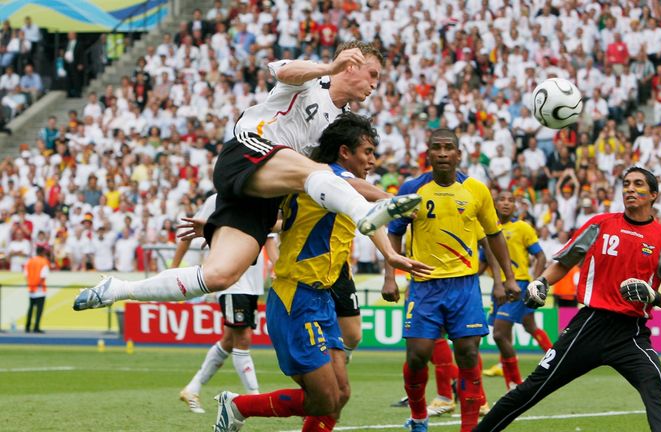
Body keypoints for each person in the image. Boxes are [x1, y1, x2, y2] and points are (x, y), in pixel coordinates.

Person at [73, 40, 423, 312]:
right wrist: (328, 66)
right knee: (315, 173)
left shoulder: (343, 127)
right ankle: (363, 211)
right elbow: (283, 71)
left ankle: (119, 289)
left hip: (266, 190)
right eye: (373, 74)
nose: (375, 85)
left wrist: (388, 252)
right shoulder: (310, 83)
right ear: (352, 66)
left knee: (219, 276)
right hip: (248, 152)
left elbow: (340, 183)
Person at [213, 113, 431, 432]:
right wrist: (391, 199)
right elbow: (353, 188)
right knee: (324, 399)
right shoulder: (327, 177)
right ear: (345, 151)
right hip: (295, 299)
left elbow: (363, 214)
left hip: (321, 299)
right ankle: (238, 406)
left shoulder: (327, 187)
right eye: (367, 152)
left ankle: (239, 407)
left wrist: (391, 252)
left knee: (339, 395)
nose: (372, 160)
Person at [475, 167, 661, 432]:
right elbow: (564, 263)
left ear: (653, 194)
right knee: (532, 389)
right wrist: (541, 282)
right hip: (589, 326)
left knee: (655, 387)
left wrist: (654, 296)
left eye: (638, 184)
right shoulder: (600, 225)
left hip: (631, 334)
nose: (630, 189)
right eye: (626, 184)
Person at [382, 129, 519, 432]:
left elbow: (494, 236)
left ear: (459, 154)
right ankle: (419, 417)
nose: (442, 153)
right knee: (418, 356)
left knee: (468, 354)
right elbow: (393, 230)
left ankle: (468, 428)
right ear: (427, 154)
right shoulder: (412, 188)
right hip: (425, 284)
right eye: (436, 148)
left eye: (448, 148)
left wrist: (509, 278)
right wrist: (390, 275)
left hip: (464, 286)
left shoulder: (476, 190)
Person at [174, 193, 276, 414]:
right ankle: (255, 396)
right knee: (243, 337)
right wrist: (173, 267)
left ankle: (193, 388)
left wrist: (278, 268)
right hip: (231, 280)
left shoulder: (262, 199)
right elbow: (189, 232)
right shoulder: (217, 200)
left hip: (252, 283)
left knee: (229, 340)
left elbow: (269, 238)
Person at [480, 191, 552, 390]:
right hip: (498, 288)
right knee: (528, 327)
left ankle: (514, 384)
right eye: (502, 199)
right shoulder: (486, 229)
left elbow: (541, 257)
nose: (506, 203)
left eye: (511, 200)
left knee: (499, 334)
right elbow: (482, 261)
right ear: (494, 204)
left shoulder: (522, 227)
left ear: (516, 206)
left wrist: (535, 283)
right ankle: (555, 357)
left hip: (517, 286)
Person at [24, 246, 50, 333]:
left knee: (30, 308)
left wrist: (31, 285)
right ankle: (36, 327)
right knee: (39, 310)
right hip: (39, 289)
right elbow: (43, 276)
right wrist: (37, 285)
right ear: (42, 252)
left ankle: (27, 327)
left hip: (31, 288)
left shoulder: (30, 261)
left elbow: (26, 274)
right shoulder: (43, 262)